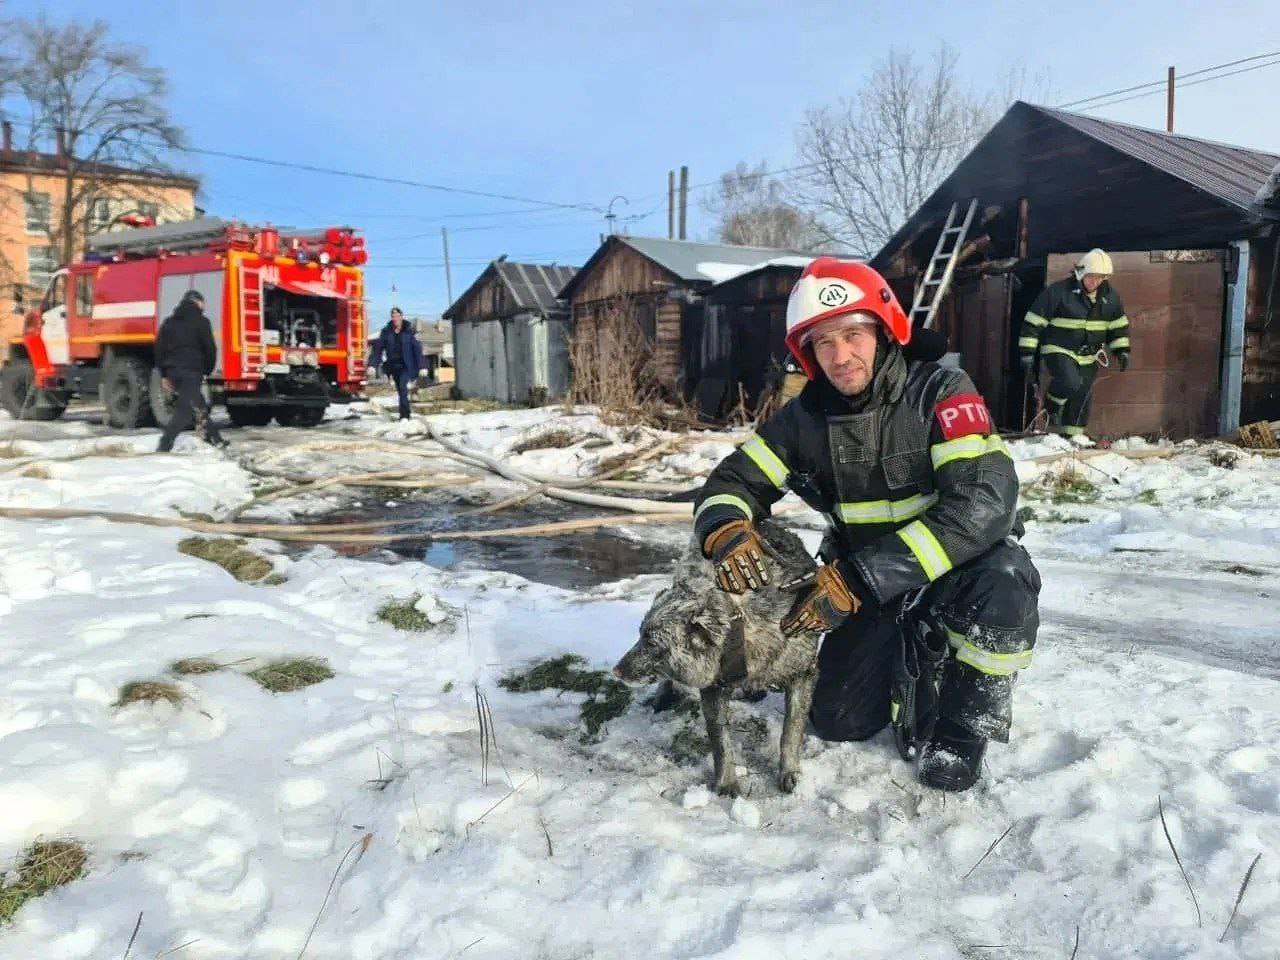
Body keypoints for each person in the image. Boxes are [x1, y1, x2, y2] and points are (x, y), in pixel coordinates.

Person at [693, 258, 1040, 793]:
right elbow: (728, 483)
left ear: (885, 330)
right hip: (865, 587)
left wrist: (861, 579)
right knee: (838, 720)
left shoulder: (941, 391)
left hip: (950, 570)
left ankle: (964, 726)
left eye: (853, 334)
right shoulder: (802, 419)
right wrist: (728, 530)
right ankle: (908, 651)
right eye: (823, 343)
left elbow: (983, 503)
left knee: (1005, 580)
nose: (841, 355)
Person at [1018, 249, 1130, 438]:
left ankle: (1071, 437)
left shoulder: (1110, 298)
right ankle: (1051, 407)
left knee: (1082, 397)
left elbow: (1118, 327)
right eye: (1091, 276)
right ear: (1081, 273)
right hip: (1058, 348)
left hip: (1089, 355)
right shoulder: (1058, 292)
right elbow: (1033, 321)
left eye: (1100, 277)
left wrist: (1122, 351)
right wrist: (1027, 352)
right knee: (1070, 382)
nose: (1095, 281)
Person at [155, 290, 227, 453]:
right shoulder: (202, 322)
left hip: (173, 371)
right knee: (185, 410)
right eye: (203, 303)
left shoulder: (169, 322)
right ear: (197, 302)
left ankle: (215, 439)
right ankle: (165, 443)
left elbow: (159, 349)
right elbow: (209, 348)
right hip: (192, 371)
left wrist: (164, 374)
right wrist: (207, 370)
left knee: (198, 403)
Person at [367, 307, 423, 420]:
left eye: (397, 316)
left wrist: (422, 366)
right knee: (400, 391)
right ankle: (404, 413)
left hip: (406, 366)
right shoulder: (386, 332)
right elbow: (378, 349)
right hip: (393, 367)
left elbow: (417, 350)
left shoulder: (409, 331)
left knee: (403, 388)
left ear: (402, 317)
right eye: (393, 316)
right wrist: (372, 364)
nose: (395, 318)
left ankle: (404, 416)